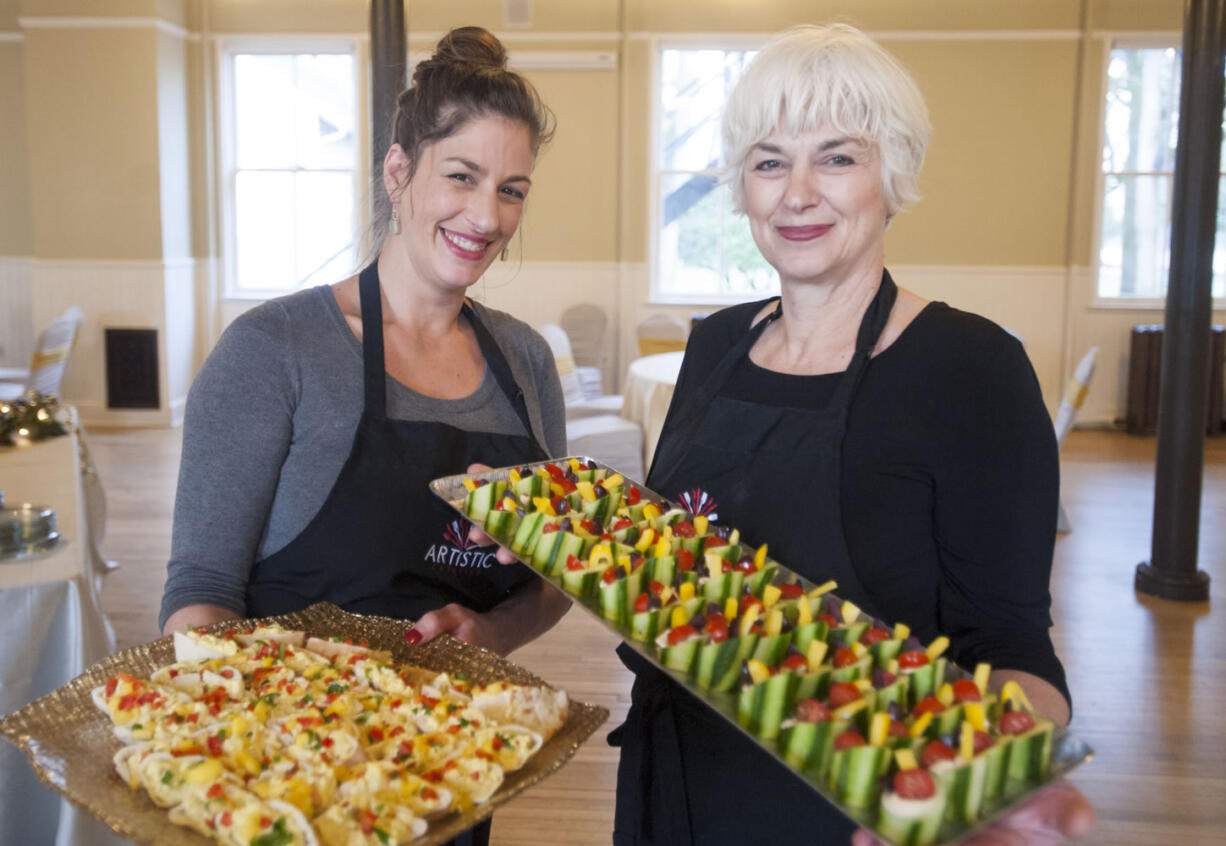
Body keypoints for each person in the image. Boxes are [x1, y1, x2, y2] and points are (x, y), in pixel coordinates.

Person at [606, 24, 1095, 845]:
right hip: (673, 786)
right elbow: (675, 569)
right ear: (743, 186)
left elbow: (1009, 639)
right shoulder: (715, 344)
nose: (797, 193)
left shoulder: (972, 369)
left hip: (849, 812)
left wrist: (994, 780)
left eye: (837, 157)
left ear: (892, 174)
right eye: (769, 161)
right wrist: (562, 533)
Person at [159, 27, 570, 677]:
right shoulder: (274, 350)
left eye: (511, 190)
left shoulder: (526, 362)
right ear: (398, 171)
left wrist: (492, 630)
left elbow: (553, 580)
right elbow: (200, 592)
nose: (487, 218)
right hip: (285, 749)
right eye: (462, 177)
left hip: (460, 749)